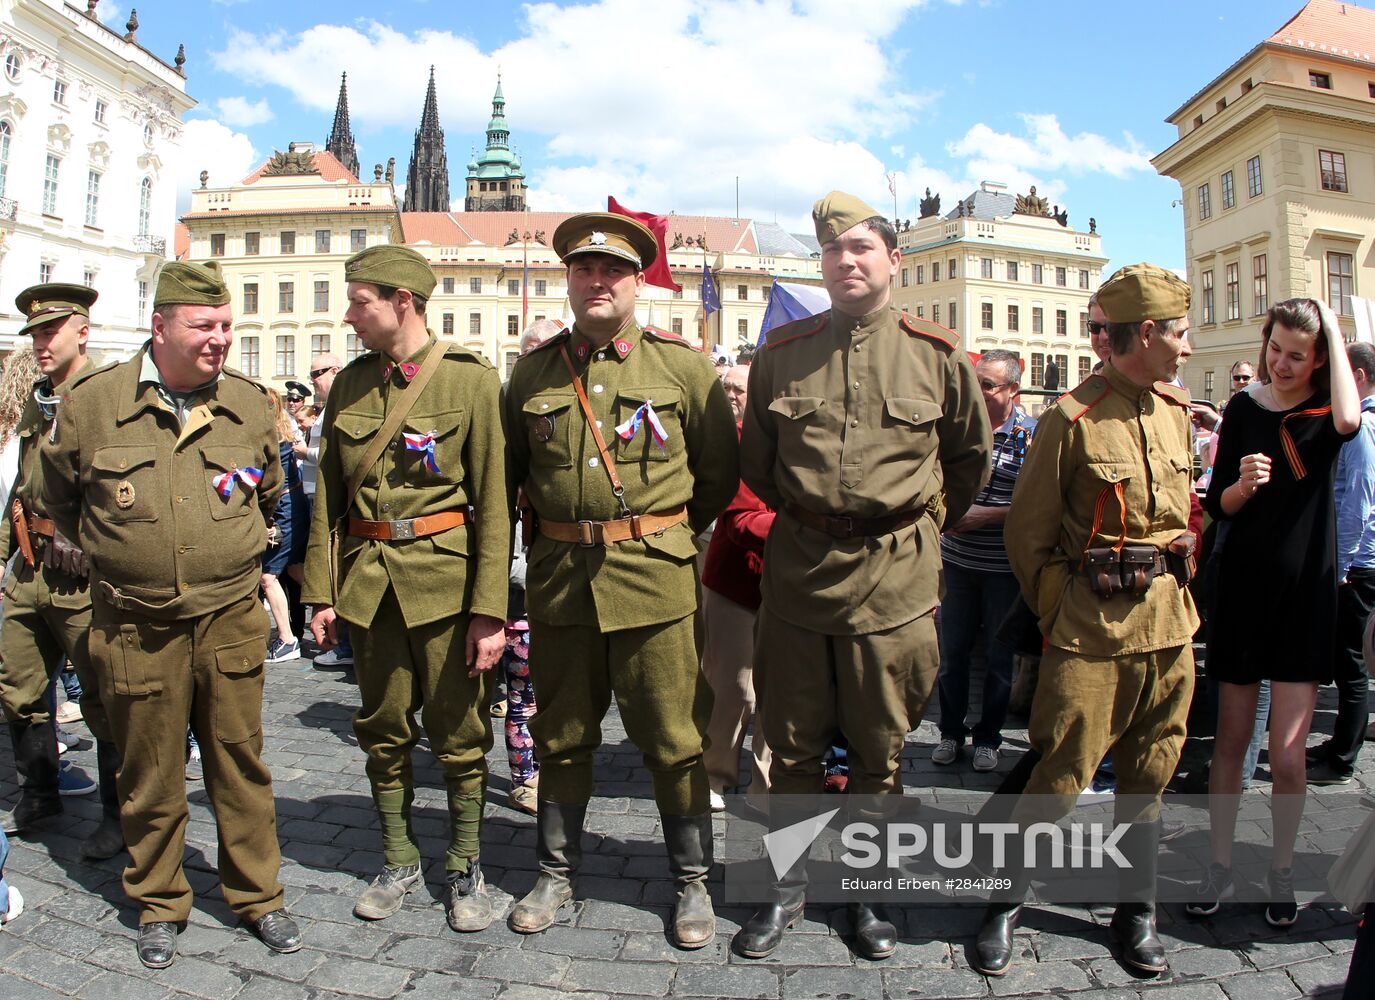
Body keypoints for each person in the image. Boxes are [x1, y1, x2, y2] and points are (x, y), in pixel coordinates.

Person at [736, 191, 991, 962]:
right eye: (832, 251)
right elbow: (760, 467)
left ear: (891, 260)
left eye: (860, 248)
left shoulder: (937, 354)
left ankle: (867, 894)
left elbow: (967, 463)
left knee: (880, 753)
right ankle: (783, 891)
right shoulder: (781, 353)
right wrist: (821, 520)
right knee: (793, 750)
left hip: (895, 583)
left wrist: (908, 527)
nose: (845, 261)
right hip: (801, 579)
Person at [36, 260, 302, 968]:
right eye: (204, 326)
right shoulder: (94, 404)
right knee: (149, 769)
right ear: (160, 327)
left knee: (239, 764)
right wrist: (113, 547)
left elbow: (269, 490)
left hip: (229, 619)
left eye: (225, 326)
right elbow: (53, 490)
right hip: (137, 625)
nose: (219, 339)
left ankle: (258, 895)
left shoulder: (248, 403)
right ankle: (158, 899)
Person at [503, 212, 738, 949]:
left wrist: (656, 536)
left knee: (673, 740)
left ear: (638, 283)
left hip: (654, 584)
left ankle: (691, 883)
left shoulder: (681, 368)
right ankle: (555, 871)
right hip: (561, 582)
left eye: (612, 272)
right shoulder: (534, 374)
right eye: (583, 270)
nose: (596, 282)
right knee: (561, 736)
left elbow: (716, 479)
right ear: (568, 281)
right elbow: (514, 477)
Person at [975, 263, 1199, 977]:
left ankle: (1136, 908)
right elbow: (1028, 538)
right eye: (1179, 334)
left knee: (1151, 773)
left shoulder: (1171, 410)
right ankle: (1004, 899)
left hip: (1169, 628)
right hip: (1090, 633)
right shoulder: (1070, 419)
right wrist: (1063, 609)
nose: (1186, 348)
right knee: (1061, 772)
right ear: (1144, 334)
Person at [302, 245, 511, 933]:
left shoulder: (470, 381)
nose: (348, 315)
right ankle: (396, 856)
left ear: (402, 300)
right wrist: (319, 593)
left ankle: (464, 864)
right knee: (382, 728)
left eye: (359, 302)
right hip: (368, 584)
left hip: (446, 588)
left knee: (459, 732)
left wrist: (489, 611)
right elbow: (328, 499)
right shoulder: (352, 384)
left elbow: (493, 502)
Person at [1189, 298, 1360, 927]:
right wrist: (1241, 485)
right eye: (1275, 348)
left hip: (1305, 598)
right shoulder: (1241, 407)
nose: (1281, 363)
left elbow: (1348, 417)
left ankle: (1281, 868)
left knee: (1288, 755)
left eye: (1297, 354)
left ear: (1319, 358)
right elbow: (1221, 508)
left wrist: (1335, 330)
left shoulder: (1325, 411)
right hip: (1243, 591)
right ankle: (1219, 863)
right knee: (1231, 742)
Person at [0, 284, 123, 858]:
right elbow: (22, 488)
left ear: (83, 330)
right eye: (35, 335)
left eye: (51, 332)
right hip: (29, 568)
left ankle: (117, 817)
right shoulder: (39, 399)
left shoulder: (106, 396)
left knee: (102, 700)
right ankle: (40, 794)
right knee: (19, 688)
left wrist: (94, 544)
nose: (41, 344)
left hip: (81, 577)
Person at [932, 349, 1035, 773]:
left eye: (987, 385)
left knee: (997, 659)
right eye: (974, 381)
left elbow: (1038, 503)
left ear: (1013, 389)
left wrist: (987, 516)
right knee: (951, 655)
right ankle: (950, 733)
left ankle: (988, 738)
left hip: (1002, 569)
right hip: (955, 562)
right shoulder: (958, 428)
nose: (977, 391)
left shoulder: (1032, 435)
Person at [701, 362, 773, 811]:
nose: (731, 395)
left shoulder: (788, 440)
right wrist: (808, 527)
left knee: (778, 693)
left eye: (740, 389)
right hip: (734, 581)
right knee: (731, 687)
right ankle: (715, 774)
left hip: (788, 584)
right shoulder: (732, 444)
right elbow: (739, 518)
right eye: (725, 387)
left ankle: (768, 788)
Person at [500, 319, 561, 817]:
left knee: (561, 690)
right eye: (533, 350)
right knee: (522, 688)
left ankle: (560, 767)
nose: (540, 357)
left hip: (567, 575)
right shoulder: (504, 408)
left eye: (550, 348)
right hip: (518, 577)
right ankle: (526, 775)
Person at [1307, 343, 1375, 785]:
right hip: (1360, 559)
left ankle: (1342, 759)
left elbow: (1359, 501)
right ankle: (1339, 745)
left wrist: (1343, 562)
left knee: (1351, 666)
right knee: (1347, 660)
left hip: (1359, 564)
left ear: (1360, 376)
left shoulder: (1364, 426)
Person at [301, 354, 352, 668]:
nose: (313, 381)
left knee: (338, 574)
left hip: (329, 500)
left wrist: (303, 450)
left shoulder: (342, 403)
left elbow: (338, 452)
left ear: (335, 371)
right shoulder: (328, 407)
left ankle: (345, 643)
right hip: (317, 498)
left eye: (317, 373)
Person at [262, 389, 307, 663]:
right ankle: (346, 622)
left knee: (268, 577)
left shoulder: (271, 437)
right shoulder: (282, 431)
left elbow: (268, 483)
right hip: (293, 505)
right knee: (296, 570)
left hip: (284, 507)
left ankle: (288, 639)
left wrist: (268, 519)